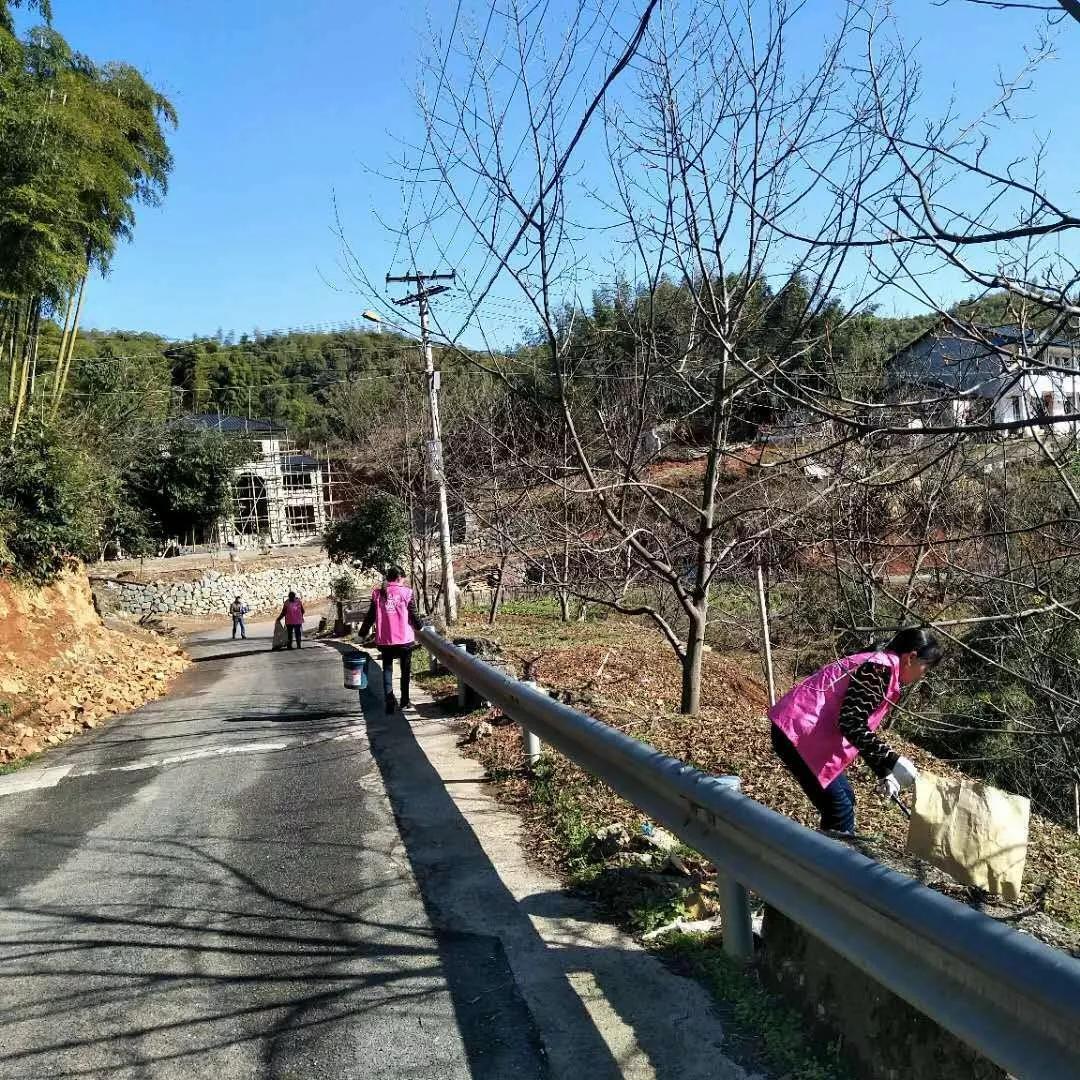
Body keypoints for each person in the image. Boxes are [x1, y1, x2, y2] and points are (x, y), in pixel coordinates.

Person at [769, 628, 942, 835]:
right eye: (926, 667)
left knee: (846, 799)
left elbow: (858, 727)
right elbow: (851, 723)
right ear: (911, 657)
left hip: (804, 732)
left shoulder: (881, 665)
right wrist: (892, 760)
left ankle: (822, 859)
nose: (923, 675)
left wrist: (884, 771)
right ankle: (827, 865)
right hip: (798, 732)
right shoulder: (879, 669)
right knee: (839, 810)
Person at [358, 566, 425, 713]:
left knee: (387, 669)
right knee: (405, 670)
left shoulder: (378, 593)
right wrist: (420, 627)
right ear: (399, 578)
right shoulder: (406, 592)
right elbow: (413, 615)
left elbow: (370, 616)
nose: (404, 581)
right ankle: (405, 701)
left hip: (386, 640)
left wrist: (362, 633)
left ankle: (389, 700)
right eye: (404, 578)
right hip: (404, 640)